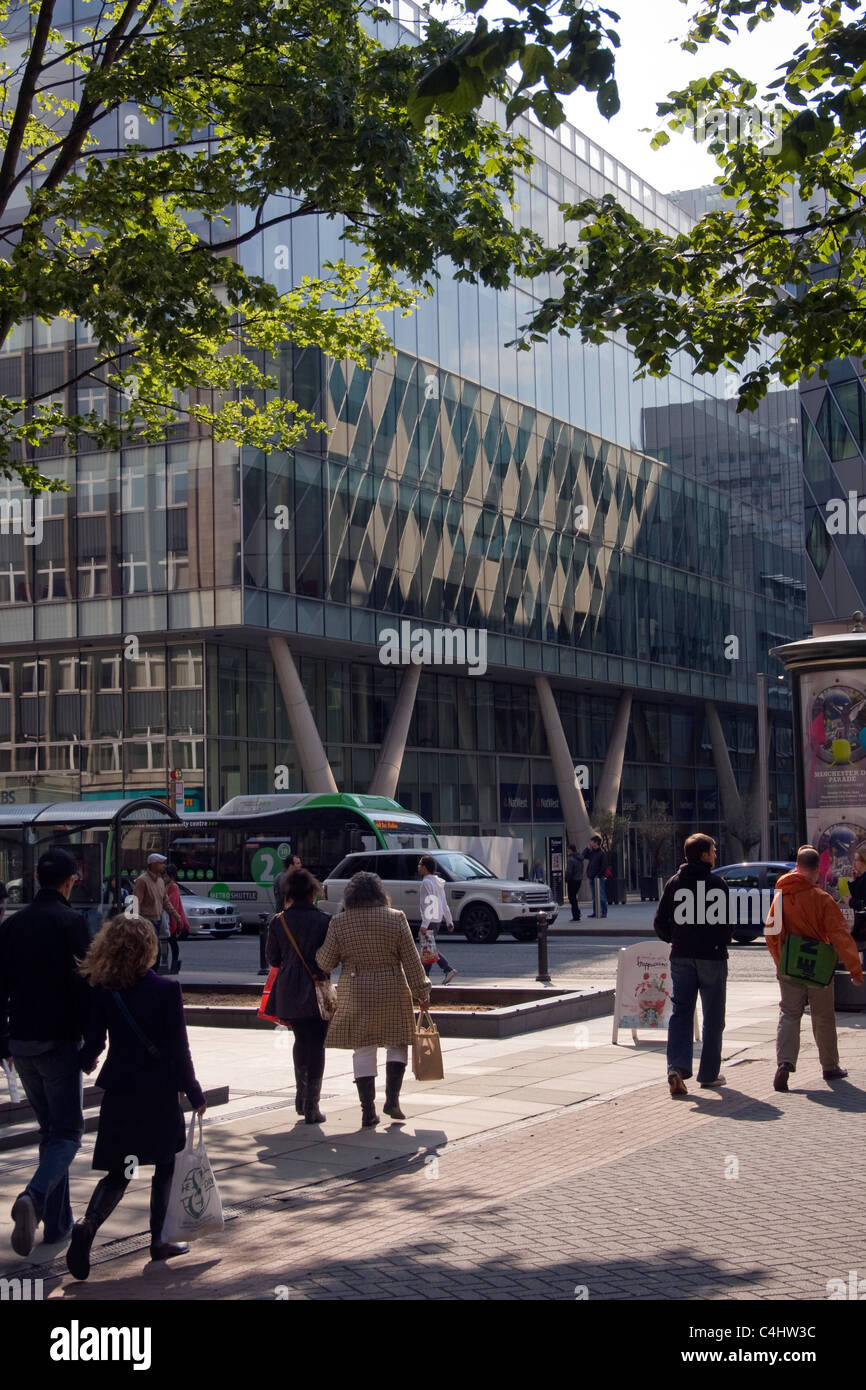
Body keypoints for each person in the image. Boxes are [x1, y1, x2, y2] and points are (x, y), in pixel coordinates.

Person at [66, 912, 207, 1280]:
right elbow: (178, 1049)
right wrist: (193, 1091)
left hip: (121, 1092)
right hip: (158, 1094)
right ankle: (159, 1240)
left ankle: (88, 1224)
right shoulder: (165, 990)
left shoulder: (103, 990)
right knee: (164, 1165)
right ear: (148, 948)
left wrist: (77, 1065)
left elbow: (94, 1043)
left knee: (122, 1168)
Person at [0, 847, 90, 1255]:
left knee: (50, 1134)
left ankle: (57, 1223)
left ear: (36, 878)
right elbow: (85, 986)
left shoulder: (13, 925)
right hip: (59, 1041)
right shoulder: (72, 923)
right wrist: (94, 1044)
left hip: (21, 1040)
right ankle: (34, 1198)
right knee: (69, 1133)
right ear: (71, 879)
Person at [316, 871, 430, 1127]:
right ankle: (393, 1100)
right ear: (381, 893)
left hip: (355, 991)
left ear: (351, 895)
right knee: (397, 1041)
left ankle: (368, 1110)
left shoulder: (339, 922)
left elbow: (325, 961)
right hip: (392, 989)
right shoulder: (396, 918)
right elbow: (412, 962)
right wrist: (422, 992)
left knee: (363, 1047)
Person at [765, 845, 864, 1092]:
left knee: (789, 1014)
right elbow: (840, 936)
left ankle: (785, 1063)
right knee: (823, 1017)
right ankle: (830, 1066)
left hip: (789, 963)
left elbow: (771, 933)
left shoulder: (781, 897)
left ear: (796, 868)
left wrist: (780, 962)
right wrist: (855, 970)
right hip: (818, 966)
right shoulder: (822, 899)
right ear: (817, 870)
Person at [654, 833, 730, 1097]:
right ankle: (708, 1074)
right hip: (712, 957)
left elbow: (660, 923)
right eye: (713, 850)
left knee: (681, 1013)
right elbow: (726, 926)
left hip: (682, 957)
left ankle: (676, 1066)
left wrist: (676, 938)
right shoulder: (717, 884)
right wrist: (718, 942)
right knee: (713, 1017)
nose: (716, 854)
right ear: (704, 855)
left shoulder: (675, 883)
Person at [265, 867, 332, 1125]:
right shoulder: (325, 920)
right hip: (316, 988)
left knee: (300, 1039)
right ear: (312, 892)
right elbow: (330, 958)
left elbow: (273, 959)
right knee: (317, 1044)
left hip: (289, 990)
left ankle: (300, 1096)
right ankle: (312, 1106)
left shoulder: (278, 921)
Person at [132, 854, 181, 972]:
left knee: (152, 952)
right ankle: (150, 975)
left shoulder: (160, 881)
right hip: (146, 921)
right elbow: (136, 902)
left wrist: (176, 916)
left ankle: (149, 975)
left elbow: (166, 902)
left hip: (157, 921)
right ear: (153, 864)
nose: (163, 866)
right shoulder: (142, 880)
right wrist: (135, 923)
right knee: (154, 951)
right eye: (161, 863)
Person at [417, 856, 458, 984]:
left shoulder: (426, 883)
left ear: (424, 867)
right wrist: (449, 921)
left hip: (429, 920)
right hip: (437, 919)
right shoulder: (437, 882)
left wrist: (424, 924)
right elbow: (443, 903)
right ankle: (426, 977)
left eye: (419, 865)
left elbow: (430, 904)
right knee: (428, 949)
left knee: (429, 949)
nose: (418, 867)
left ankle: (447, 969)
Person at [163, 864, 189, 975]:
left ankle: (173, 965)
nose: (164, 877)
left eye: (166, 875)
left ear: (171, 876)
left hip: (170, 917)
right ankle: (170, 964)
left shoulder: (173, 886)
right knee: (169, 941)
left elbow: (172, 902)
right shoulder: (165, 885)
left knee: (171, 941)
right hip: (166, 916)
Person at [583, 835, 609, 918]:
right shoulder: (592, 852)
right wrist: (587, 848)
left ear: (596, 843)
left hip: (599, 878)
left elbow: (604, 866)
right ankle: (596, 912)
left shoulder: (602, 853)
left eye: (592, 841)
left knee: (601, 895)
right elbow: (583, 856)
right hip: (591, 877)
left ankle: (604, 912)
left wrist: (598, 875)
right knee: (594, 897)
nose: (590, 843)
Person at [565, 844, 582, 922]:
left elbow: (569, 872)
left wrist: (566, 879)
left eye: (568, 849)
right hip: (579, 879)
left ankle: (576, 915)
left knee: (572, 898)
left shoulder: (570, 859)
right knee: (574, 897)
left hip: (572, 880)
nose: (567, 851)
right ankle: (577, 913)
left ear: (570, 850)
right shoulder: (579, 858)